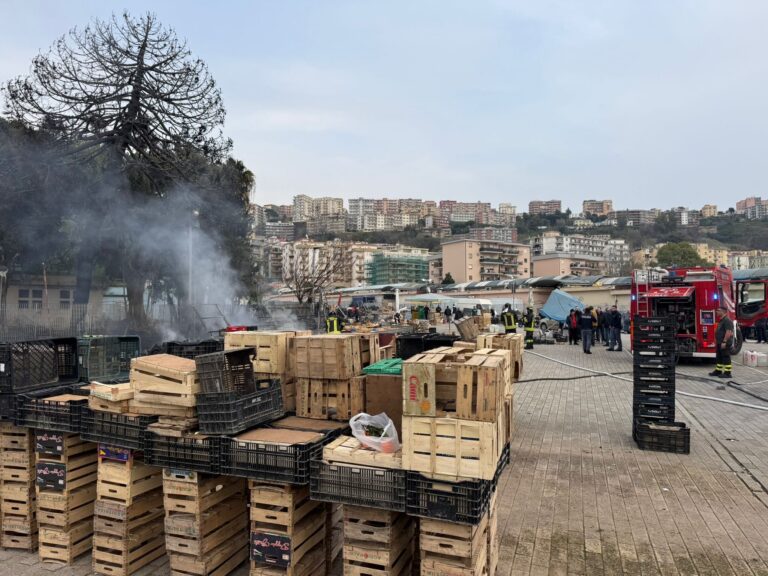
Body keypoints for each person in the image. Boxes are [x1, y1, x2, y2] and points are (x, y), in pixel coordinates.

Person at [709, 306, 734, 378]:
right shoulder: (722, 320)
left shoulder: (727, 320)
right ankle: (718, 371)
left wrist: (724, 341)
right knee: (719, 357)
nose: (716, 312)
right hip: (720, 342)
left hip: (724, 343)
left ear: (723, 312)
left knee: (726, 357)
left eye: (718, 310)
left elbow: (728, 332)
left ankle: (727, 373)